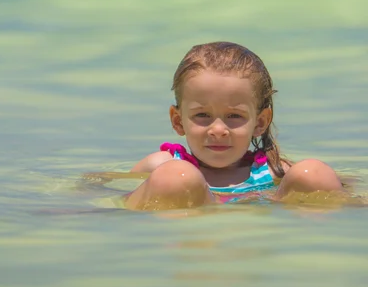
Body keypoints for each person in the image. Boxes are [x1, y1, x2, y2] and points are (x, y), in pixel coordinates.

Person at [125, 41, 344, 210]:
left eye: (234, 116)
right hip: (187, 242)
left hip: (251, 241)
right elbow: (104, 190)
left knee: (314, 173)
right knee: (177, 176)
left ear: (260, 123)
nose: (218, 130)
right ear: (178, 121)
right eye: (202, 115)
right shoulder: (162, 164)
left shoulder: (272, 172)